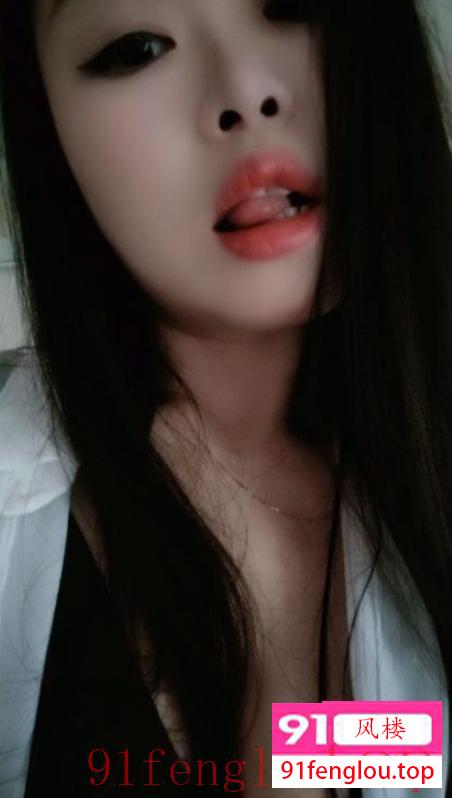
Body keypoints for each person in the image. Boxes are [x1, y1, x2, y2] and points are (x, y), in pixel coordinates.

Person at [0, 0, 451, 795]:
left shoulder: (418, 477)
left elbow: (346, 756)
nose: (246, 92)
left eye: (298, 3)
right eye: (138, 47)